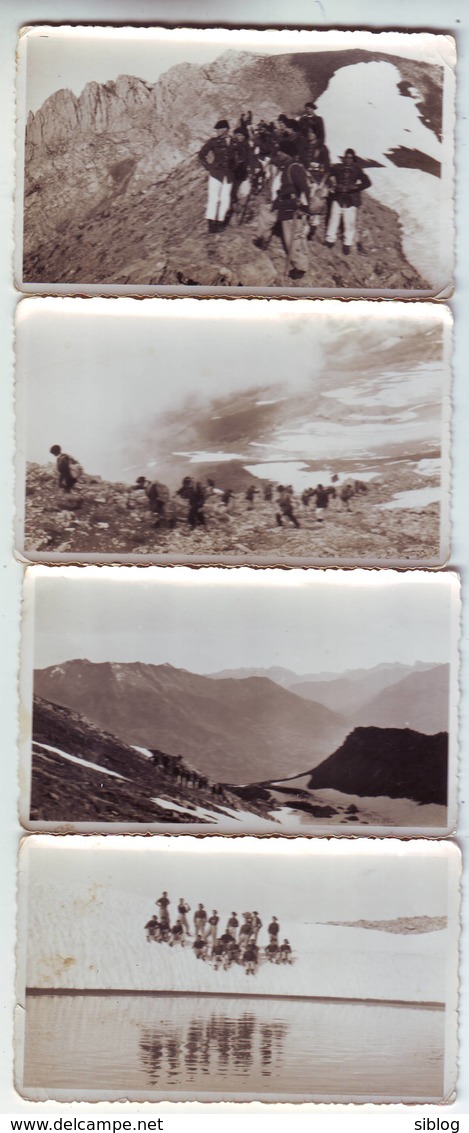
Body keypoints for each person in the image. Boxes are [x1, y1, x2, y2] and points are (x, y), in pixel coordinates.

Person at [254, 144, 311, 279]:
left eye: (281, 151)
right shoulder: (286, 167)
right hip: (282, 203)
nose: (278, 153)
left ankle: (300, 267)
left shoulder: (295, 168)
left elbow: (305, 189)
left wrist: (304, 208)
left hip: (291, 208)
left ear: (288, 154)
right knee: (265, 212)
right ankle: (261, 239)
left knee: (291, 239)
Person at [325, 149, 371, 254]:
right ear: (344, 157)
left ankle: (347, 244)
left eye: (350, 158)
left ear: (353, 159)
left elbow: (367, 182)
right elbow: (327, 173)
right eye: (346, 157)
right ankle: (330, 240)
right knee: (333, 219)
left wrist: (355, 187)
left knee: (349, 223)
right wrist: (331, 185)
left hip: (351, 199)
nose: (348, 160)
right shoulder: (337, 168)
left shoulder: (357, 170)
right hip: (338, 197)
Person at [198, 119, 234, 232]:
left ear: (225, 130)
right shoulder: (213, 142)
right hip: (215, 174)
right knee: (213, 198)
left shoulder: (234, 142)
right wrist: (208, 167)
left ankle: (220, 222)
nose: (217, 132)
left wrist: (236, 166)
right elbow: (201, 155)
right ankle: (211, 224)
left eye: (219, 129)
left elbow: (243, 155)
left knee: (225, 199)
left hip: (229, 175)